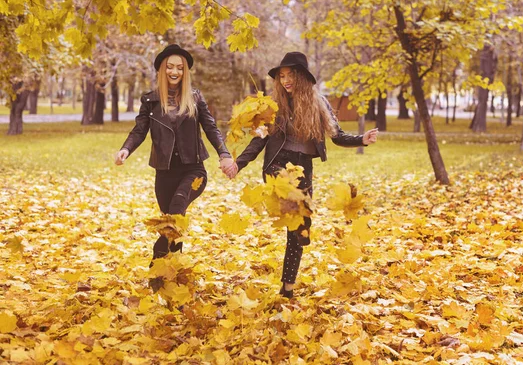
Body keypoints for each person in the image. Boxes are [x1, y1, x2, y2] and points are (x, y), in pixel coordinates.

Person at [234, 52, 378, 298]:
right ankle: (303, 222)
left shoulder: (317, 102)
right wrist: (239, 163)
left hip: (303, 169)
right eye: (282, 76)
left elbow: (337, 135)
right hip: (277, 166)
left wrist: (360, 140)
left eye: (290, 75)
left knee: (297, 231)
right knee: (300, 214)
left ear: (301, 77)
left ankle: (287, 288)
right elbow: (258, 141)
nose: (286, 80)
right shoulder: (273, 105)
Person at [114, 44, 237, 264]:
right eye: (170, 67)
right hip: (164, 173)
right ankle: (175, 276)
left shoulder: (195, 98)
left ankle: (155, 272)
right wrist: (126, 149)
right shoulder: (150, 101)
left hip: (193, 170)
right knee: (174, 226)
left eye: (179, 68)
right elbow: (139, 131)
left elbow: (211, 128)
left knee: (173, 218)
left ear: (185, 71)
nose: (174, 72)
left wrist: (224, 154)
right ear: (162, 70)